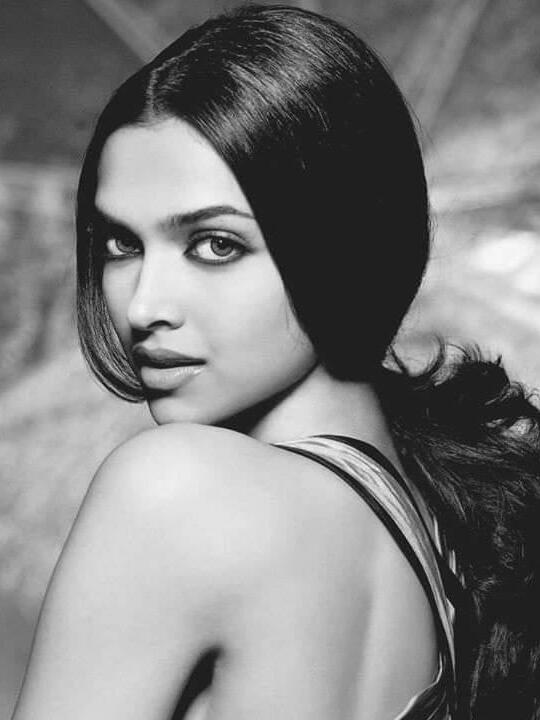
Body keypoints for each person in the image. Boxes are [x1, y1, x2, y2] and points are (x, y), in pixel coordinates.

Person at [11, 4, 540, 719]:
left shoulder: (175, 487)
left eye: (215, 245)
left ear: (343, 246)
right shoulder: (441, 534)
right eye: (121, 244)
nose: (144, 305)